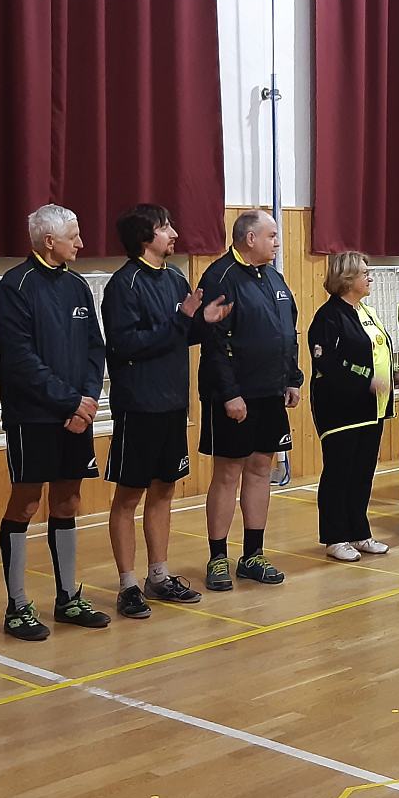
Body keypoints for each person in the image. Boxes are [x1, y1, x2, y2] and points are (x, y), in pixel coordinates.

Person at [100, 204, 232, 618]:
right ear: (145, 237)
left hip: (174, 403)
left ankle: (158, 575)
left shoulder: (175, 278)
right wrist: (181, 319)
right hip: (138, 405)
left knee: (164, 489)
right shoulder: (124, 285)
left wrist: (203, 321)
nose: (174, 233)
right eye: (164, 227)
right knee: (128, 495)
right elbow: (126, 344)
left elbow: (180, 333)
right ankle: (127, 584)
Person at [0, 204, 109, 639]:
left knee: (68, 501)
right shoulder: (15, 286)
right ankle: (17, 605)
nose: (81, 242)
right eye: (73, 235)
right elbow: (21, 359)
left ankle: (68, 598)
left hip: (78, 413)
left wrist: (88, 400)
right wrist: (70, 402)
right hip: (34, 415)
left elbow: (95, 348)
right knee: (26, 502)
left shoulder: (77, 285)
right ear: (49, 241)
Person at [196, 209, 303, 591]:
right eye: (272, 236)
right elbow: (213, 343)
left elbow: (287, 332)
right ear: (250, 238)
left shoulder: (274, 277)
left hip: (270, 393)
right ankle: (218, 558)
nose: (278, 242)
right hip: (235, 396)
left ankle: (253, 555)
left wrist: (292, 378)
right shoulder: (220, 276)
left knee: (261, 469)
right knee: (228, 474)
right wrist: (230, 393)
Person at [307, 253, 399, 562]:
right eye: (364, 273)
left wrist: (395, 375)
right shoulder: (329, 316)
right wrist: (365, 382)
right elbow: (327, 363)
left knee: (362, 472)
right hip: (340, 409)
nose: (370, 277)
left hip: (371, 409)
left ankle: (359, 532)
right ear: (346, 279)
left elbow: (377, 351)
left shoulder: (366, 311)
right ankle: (335, 537)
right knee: (339, 472)